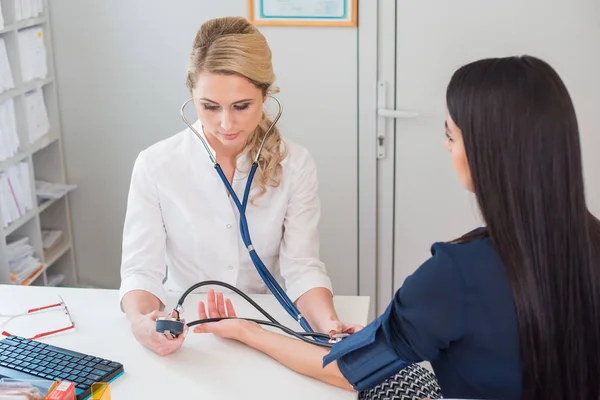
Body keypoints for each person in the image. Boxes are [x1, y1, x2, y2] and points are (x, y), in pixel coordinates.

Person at [192, 55, 600, 400]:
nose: (446, 147)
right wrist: (379, 331)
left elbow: (348, 371)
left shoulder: (456, 273)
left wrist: (247, 331)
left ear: (484, 154)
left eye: (450, 135)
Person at [118, 16, 362, 356]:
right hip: (189, 333)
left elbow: (302, 266)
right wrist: (142, 322)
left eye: (241, 106)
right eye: (209, 106)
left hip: (266, 326)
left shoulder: (296, 164)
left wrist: (330, 325)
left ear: (265, 94)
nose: (225, 123)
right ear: (192, 94)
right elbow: (141, 270)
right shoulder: (156, 165)